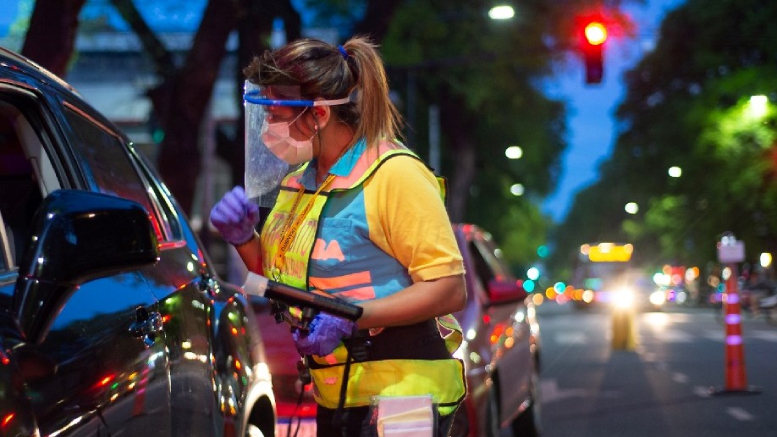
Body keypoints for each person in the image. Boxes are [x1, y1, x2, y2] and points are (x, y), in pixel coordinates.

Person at [210, 36, 467, 437]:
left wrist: (352, 318)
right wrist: (245, 238)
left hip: (405, 398)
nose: (268, 129)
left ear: (318, 115)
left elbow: (449, 290)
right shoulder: (300, 184)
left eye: (277, 114)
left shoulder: (394, 175)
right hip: (339, 395)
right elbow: (286, 284)